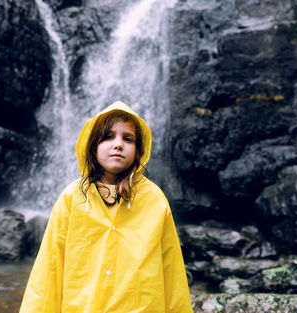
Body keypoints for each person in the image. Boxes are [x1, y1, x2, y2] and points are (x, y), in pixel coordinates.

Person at [19, 101, 192, 313]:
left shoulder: (154, 200)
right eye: (108, 137)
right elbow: (49, 269)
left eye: (128, 139)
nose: (118, 144)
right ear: (92, 146)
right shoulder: (71, 198)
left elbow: (172, 271)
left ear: (139, 150)